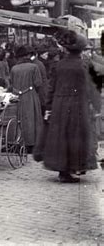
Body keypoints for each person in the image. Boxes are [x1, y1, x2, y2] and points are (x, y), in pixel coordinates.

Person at [41, 31, 99, 183]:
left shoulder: (58, 65)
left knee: (61, 136)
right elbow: (92, 87)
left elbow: (51, 88)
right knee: (77, 136)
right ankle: (74, 168)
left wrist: (48, 107)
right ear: (81, 50)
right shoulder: (85, 65)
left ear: (66, 49)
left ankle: (63, 171)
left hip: (60, 104)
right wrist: (97, 105)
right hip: (79, 104)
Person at [9, 45, 43, 152]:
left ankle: (19, 142)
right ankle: (32, 144)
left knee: (19, 119)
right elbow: (38, 83)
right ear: (27, 55)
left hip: (17, 96)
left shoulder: (14, 68)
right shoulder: (33, 67)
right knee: (32, 119)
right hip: (30, 95)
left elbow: (11, 83)